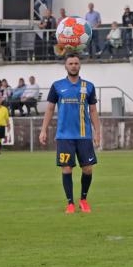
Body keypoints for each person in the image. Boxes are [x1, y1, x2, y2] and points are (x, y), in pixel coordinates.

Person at [39, 54, 101, 214]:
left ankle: (83, 199)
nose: (73, 66)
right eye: (70, 63)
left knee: (88, 169)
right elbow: (50, 109)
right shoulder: (57, 86)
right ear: (65, 66)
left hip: (84, 136)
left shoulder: (88, 86)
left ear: (80, 66)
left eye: (76, 63)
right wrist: (43, 129)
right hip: (64, 136)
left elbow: (93, 110)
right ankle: (70, 203)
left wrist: (97, 132)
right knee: (66, 169)